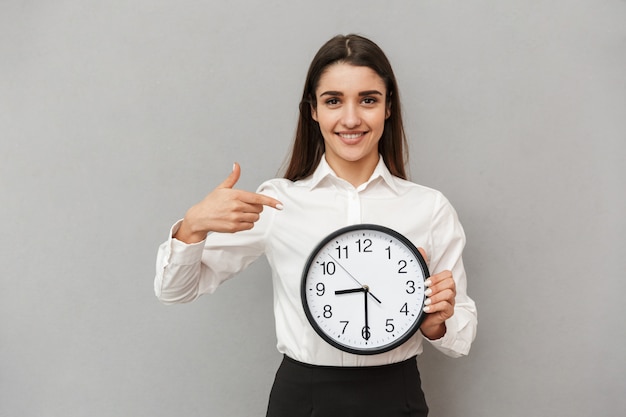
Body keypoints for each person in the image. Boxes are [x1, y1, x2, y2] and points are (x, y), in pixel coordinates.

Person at [155, 34, 477, 417]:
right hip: (304, 400)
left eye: (368, 100)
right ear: (313, 110)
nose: (351, 118)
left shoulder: (428, 207)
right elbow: (174, 291)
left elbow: (463, 337)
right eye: (333, 101)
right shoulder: (278, 202)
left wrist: (437, 324)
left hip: (396, 396)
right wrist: (192, 228)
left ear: (388, 108)